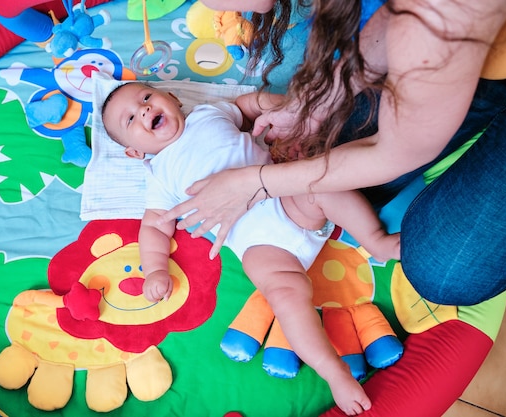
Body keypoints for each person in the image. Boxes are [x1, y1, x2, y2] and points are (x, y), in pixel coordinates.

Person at [159, 0, 506, 306]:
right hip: (462, 39)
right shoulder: (156, 170)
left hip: (456, 31)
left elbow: (393, 153)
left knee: (444, 269)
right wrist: (319, 104)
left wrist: (258, 183)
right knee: (334, 156)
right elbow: (387, 18)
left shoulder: (433, 16)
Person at [101, 81, 401, 415]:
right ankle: (334, 373)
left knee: (321, 186)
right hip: (259, 245)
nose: (143, 109)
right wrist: (156, 267)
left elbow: (246, 108)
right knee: (286, 299)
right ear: (134, 152)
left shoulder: (208, 114)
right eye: (130, 120)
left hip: (285, 196)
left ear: (172, 98)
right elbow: (155, 223)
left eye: (146, 97)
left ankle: (377, 241)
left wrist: (275, 103)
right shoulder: (159, 174)